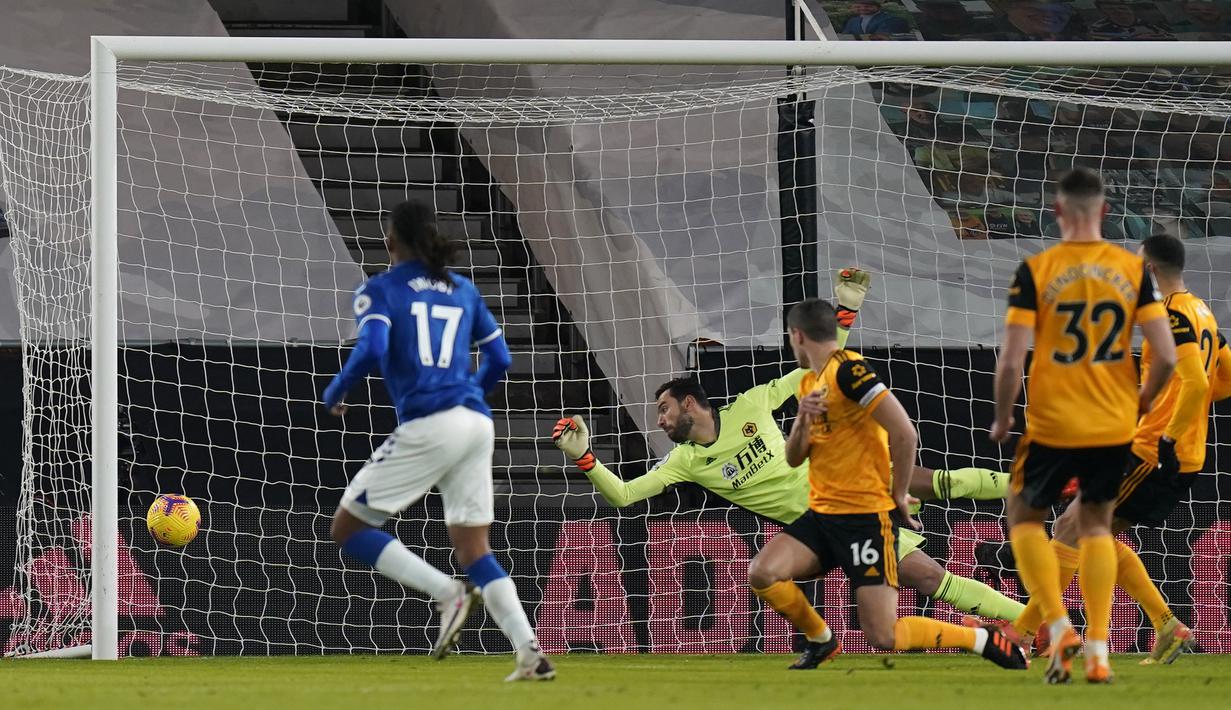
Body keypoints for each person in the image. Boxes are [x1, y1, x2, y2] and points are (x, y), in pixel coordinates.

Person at [551, 272, 1024, 669]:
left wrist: (843, 314)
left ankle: (1029, 621)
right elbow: (625, 496)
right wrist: (585, 458)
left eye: (663, 409)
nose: (659, 420)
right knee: (763, 574)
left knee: (929, 572)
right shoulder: (684, 462)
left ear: (689, 403)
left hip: (854, 504)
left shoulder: (752, 403)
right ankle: (821, 638)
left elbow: (820, 367)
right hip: (813, 523)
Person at [322, 200, 554, 681]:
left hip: (432, 422)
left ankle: (446, 593)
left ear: (390, 241)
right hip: (476, 421)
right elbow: (501, 358)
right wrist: (468, 395)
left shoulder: (379, 290)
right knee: (475, 548)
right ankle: (529, 652)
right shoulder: (462, 290)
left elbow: (373, 348)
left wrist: (336, 391)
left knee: (348, 528)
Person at [743, 298, 1027, 669]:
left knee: (884, 635)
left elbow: (905, 433)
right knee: (763, 572)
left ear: (795, 335)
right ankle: (821, 641)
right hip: (822, 516)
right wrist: (801, 421)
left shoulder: (850, 371)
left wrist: (898, 494)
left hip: (865, 520)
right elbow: (794, 458)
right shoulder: (811, 385)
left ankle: (980, 638)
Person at [991, 168, 1177, 684]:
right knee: (1097, 527)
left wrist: (1004, 415)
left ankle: (1057, 624)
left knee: (1024, 516)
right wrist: (1140, 400)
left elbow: (1010, 361)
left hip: (1052, 421)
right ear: (1105, 212)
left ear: (1056, 212)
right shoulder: (1133, 270)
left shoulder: (1037, 270)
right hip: (1112, 422)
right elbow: (1164, 355)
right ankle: (1098, 650)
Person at [1006, 234, 1226, 665]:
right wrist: (1181, 410)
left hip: (1153, 451)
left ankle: (1022, 632)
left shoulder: (1172, 316)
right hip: (1173, 451)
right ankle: (1167, 625)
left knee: (1071, 528)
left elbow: (1199, 383)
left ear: (1148, 270)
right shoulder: (1202, 312)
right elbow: (1224, 379)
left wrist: (1167, 431)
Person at [1087, 1, 1174, 40]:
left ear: (1130, 8)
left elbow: (1172, 38)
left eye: (1122, 8)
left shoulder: (1151, 23)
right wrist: (1134, 39)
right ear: (1103, 13)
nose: (1119, 11)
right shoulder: (1098, 28)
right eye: (1111, 9)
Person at [840, 1, 910, 36]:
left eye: (867, 6)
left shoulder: (892, 20)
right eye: (858, 7)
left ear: (878, 8)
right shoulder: (853, 21)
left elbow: (884, 37)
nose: (863, 8)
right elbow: (846, 36)